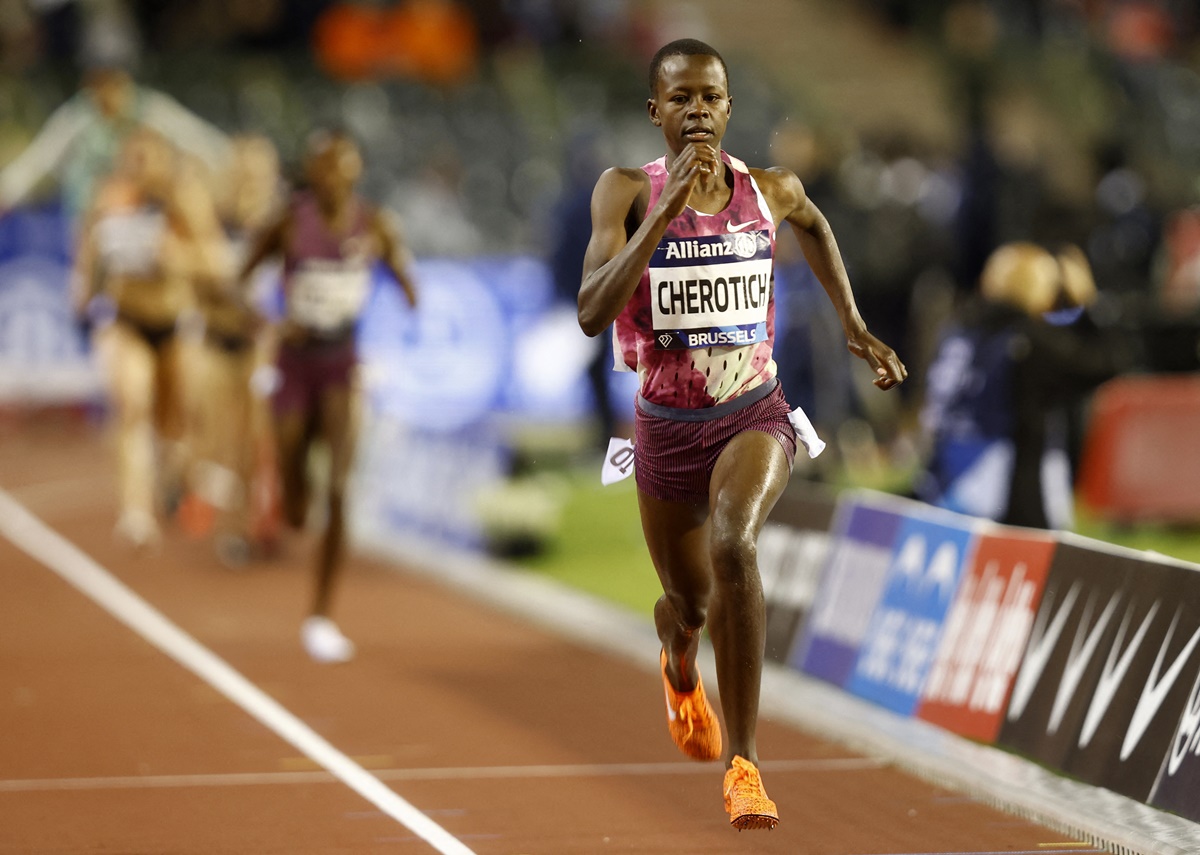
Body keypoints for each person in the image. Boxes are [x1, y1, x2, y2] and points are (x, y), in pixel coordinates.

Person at [576, 39, 906, 830]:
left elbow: (817, 226)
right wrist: (661, 213)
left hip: (753, 411)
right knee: (688, 603)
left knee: (735, 546)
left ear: (729, 107)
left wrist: (854, 326)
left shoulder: (771, 190)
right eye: (681, 98)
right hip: (665, 427)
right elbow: (591, 311)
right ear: (656, 111)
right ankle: (678, 653)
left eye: (711, 98)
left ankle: (746, 765)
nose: (698, 112)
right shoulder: (624, 191)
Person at [238, 128, 418, 663]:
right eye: (325, 166)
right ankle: (289, 494)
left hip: (342, 366)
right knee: (297, 506)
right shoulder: (287, 221)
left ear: (357, 170)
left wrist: (401, 291)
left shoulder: (376, 222)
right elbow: (237, 284)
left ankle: (320, 615)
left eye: (344, 165)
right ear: (311, 172)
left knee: (340, 487)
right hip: (294, 368)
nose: (335, 175)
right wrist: (269, 325)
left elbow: (407, 283)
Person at [72, 126, 227, 548]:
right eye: (132, 156)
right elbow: (87, 248)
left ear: (164, 159)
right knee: (132, 404)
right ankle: (135, 512)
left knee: (176, 421)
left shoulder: (185, 198)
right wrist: (84, 291)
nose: (138, 165)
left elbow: (217, 262)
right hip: (127, 320)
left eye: (148, 156)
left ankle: (174, 476)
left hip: (175, 323)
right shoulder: (109, 197)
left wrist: (179, 258)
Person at [916, 241, 1127, 529]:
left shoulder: (959, 331)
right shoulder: (1030, 341)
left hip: (945, 477)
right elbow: (1108, 363)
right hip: (1007, 493)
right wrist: (1086, 304)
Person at [181, 134, 284, 566]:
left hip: (260, 345)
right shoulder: (214, 218)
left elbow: (281, 289)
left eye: (260, 170)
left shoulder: (281, 222)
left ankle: (242, 527)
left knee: (252, 441)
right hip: (217, 342)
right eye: (245, 168)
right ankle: (192, 488)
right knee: (215, 438)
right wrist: (222, 286)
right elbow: (198, 279)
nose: (252, 178)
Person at [0, 64, 230, 228]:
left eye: (111, 86)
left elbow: (197, 138)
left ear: (123, 82)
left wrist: (229, 167)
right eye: (97, 88)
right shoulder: (79, 115)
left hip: (143, 214)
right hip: (89, 214)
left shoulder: (151, 109)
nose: (104, 97)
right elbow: (40, 158)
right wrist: (6, 192)